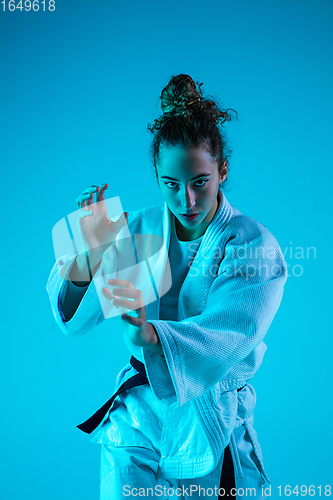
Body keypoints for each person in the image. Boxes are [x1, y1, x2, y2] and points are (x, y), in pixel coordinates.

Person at [46, 74, 287, 499]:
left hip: (212, 414)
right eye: (171, 185)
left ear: (222, 172)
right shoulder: (135, 231)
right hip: (139, 414)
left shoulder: (252, 244)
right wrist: (91, 255)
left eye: (200, 182)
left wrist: (152, 334)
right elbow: (73, 322)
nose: (186, 201)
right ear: (157, 177)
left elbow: (232, 333)